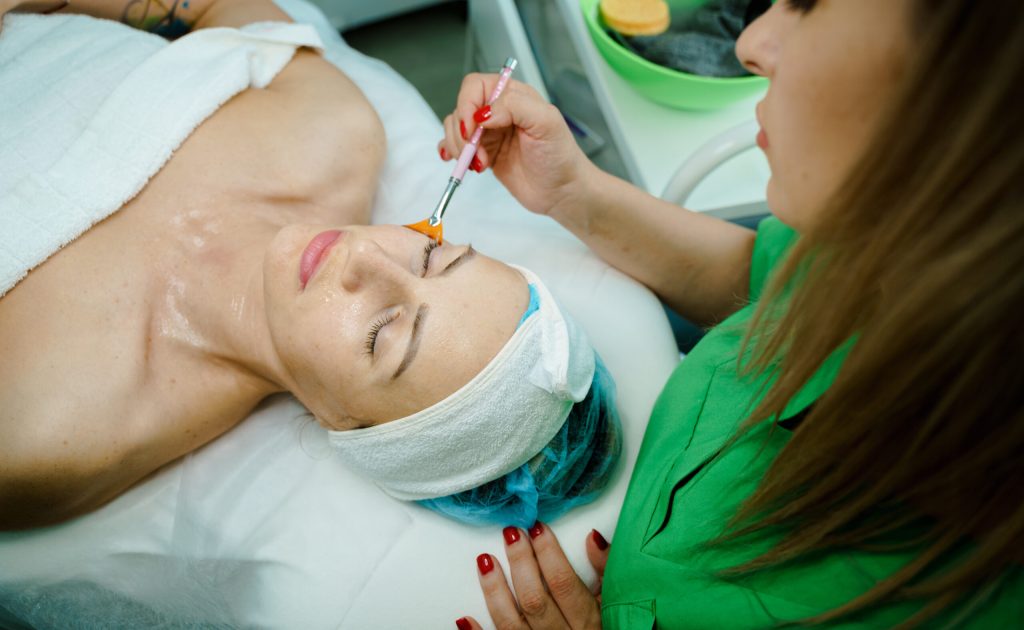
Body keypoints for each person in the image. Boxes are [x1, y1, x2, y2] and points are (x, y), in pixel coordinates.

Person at [438, 0, 1023, 627]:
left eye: (807, 4)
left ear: (968, 113)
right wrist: (572, 192)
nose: (749, 42)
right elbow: (767, 280)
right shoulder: (898, 250)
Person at [0, 0, 620, 532]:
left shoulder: (46, 429)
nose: (364, 255)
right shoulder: (336, 133)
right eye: (432, 254)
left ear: (345, 425)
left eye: (382, 332)